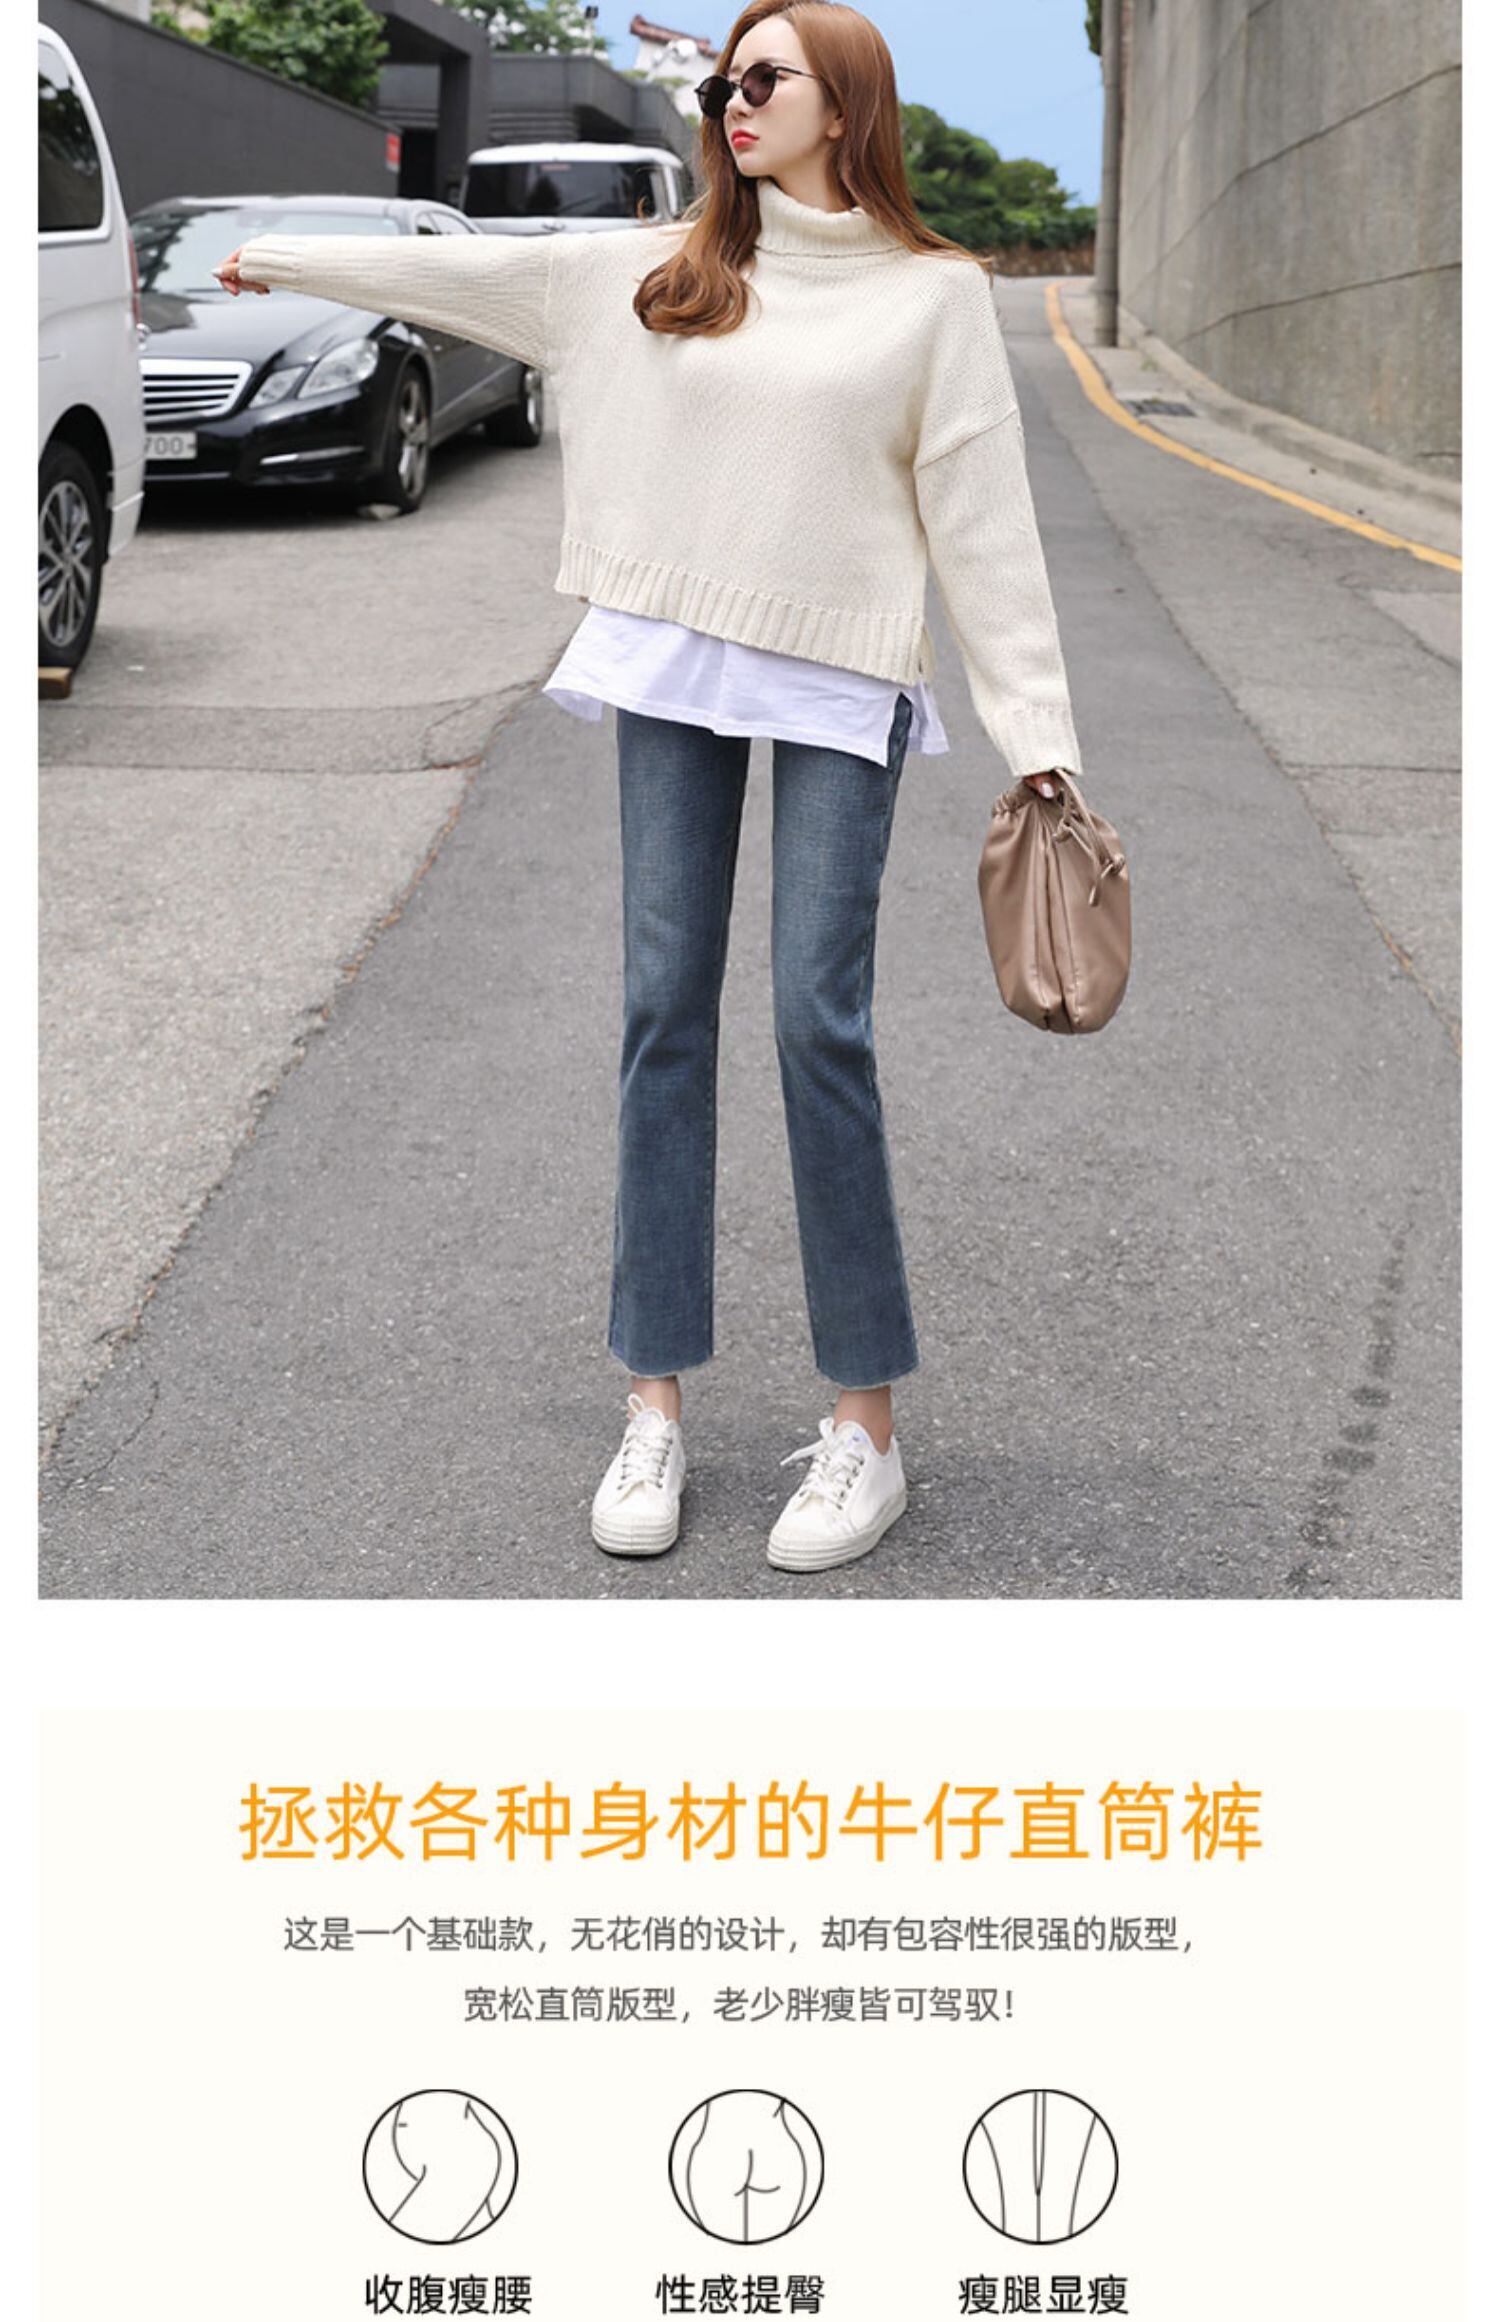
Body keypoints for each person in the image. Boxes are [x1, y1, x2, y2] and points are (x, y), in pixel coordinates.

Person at [216, 0, 1083, 1577]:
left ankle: (866, 1426)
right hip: (673, 660)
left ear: (846, 106)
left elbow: (985, 525)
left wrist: (1040, 738)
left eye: (766, 78)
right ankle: (654, 1401)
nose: (733, 100)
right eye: (722, 79)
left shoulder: (934, 297)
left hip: (838, 674)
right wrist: (277, 261)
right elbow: (469, 276)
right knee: (662, 1007)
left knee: (819, 1021)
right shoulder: (666, 268)